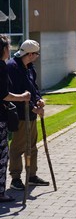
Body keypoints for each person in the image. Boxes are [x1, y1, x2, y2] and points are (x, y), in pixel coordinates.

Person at [7, 39, 48, 191]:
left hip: (31, 115)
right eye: (36, 54)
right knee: (18, 147)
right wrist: (33, 108)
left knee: (32, 146)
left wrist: (39, 100)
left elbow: (33, 87)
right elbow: (16, 93)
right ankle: (15, 178)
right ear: (30, 54)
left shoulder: (29, 67)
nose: (37, 56)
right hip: (20, 115)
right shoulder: (12, 67)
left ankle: (31, 175)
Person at [0, 35, 31, 201]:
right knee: (2, 155)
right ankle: (0, 192)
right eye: (8, 47)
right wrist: (23, 97)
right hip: (0, 119)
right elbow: (4, 95)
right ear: (3, 49)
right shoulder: (3, 67)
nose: (9, 50)